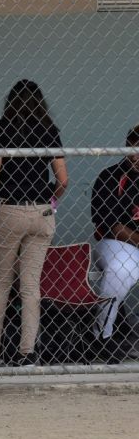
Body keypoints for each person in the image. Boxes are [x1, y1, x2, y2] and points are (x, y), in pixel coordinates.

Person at [0, 79, 68, 367]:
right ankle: (27, 353)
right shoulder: (48, 130)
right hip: (41, 212)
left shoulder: (1, 127)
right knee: (30, 285)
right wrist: (51, 201)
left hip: (10, 210)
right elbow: (64, 179)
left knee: (2, 281)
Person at [89, 124, 139, 363]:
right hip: (118, 245)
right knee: (122, 268)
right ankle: (102, 336)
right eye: (134, 149)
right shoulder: (111, 177)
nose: (137, 156)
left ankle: (131, 333)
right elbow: (113, 226)